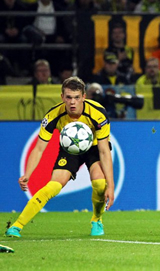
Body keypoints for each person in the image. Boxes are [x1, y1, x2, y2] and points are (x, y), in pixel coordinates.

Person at [5, 77, 115, 238]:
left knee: (99, 183)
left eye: (77, 97)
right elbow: (39, 148)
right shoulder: (52, 116)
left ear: (84, 97)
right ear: (62, 97)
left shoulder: (98, 114)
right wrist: (28, 174)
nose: (72, 102)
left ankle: (96, 219)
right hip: (69, 149)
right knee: (53, 187)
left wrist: (110, 186)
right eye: (69, 97)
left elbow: (104, 151)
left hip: (94, 147)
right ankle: (16, 226)